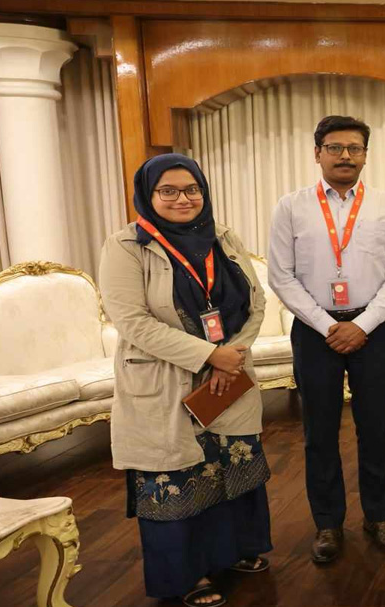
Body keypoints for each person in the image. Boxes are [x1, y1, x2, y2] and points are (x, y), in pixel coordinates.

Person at [99, 153, 271, 607]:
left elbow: (256, 303)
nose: (183, 199)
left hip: (228, 373)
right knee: (177, 473)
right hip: (164, 379)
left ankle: (234, 552)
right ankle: (187, 575)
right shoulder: (126, 246)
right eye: (168, 191)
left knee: (230, 462)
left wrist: (231, 355)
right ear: (148, 195)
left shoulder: (222, 236)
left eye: (191, 189)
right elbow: (132, 321)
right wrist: (210, 355)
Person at [267, 115, 385, 563]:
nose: (345, 156)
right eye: (335, 148)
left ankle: (378, 517)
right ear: (318, 154)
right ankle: (328, 524)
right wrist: (325, 324)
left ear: (366, 155)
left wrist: (362, 325)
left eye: (355, 148)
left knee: (377, 428)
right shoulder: (291, 207)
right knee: (319, 432)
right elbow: (281, 275)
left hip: (373, 329)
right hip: (316, 332)